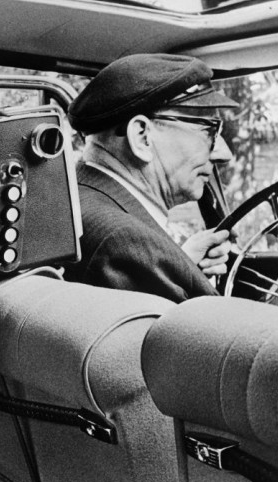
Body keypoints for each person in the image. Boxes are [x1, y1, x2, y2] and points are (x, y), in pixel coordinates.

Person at [63, 53, 237, 302]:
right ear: (142, 136)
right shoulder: (122, 243)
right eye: (209, 130)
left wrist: (181, 267)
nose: (224, 153)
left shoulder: (79, 200)